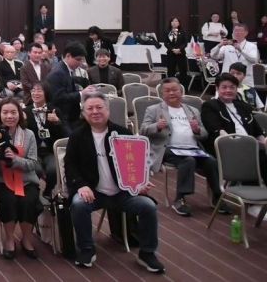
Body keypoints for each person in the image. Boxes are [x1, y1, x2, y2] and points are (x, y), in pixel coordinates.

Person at [65, 91, 164, 273]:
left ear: (108, 110)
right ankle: (86, 249)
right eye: (90, 108)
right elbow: (70, 166)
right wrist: (81, 185)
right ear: (84, 113)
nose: (95, 111)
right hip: (94, 192)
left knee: (148, 206)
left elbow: (136, 165)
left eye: (99, 107)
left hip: (122, 193)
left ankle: (147, 253)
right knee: (78, 205)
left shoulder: (123, 133)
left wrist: (139, 184)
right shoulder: (77, 136)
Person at [140, 78, 225, 216]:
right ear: (162, 93)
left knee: (211, 161)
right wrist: (157, 126)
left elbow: (204, 134)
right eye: (167, 91)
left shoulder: (193, 110)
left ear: (181, 91)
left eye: (174, 90)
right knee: (188, 161)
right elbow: (143, 130)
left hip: (193, 149)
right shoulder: (154, 110)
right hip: (168, 149)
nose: (171, 93)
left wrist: (197, 130)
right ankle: (180, 199)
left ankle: (217, 197)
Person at [0, 98, 41, 259]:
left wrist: (15, 159)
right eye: (5, 112)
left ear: (20, 114)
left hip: (27, 180)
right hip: (2, 181)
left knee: (28, 201)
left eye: (13, 112)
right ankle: (9, 239)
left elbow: (33, 163)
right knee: (8, 200)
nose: (9, 116)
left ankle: (26, 238)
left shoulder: (29, 134)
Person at [201, 73, 267, 181]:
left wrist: (264, 143)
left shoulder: (243, 106)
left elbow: (257, 131)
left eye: (232, 87)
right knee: (261, 159)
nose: (228, 90)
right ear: (217, 88)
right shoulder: (210, 106)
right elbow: (216, 129)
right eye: (224, 87)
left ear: (236, 89)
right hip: (227, 148)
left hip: (251, 147)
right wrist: (237, 144)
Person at [24, 83, 66, 198]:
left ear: (46, 93)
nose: (35, 93)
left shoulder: (54, 110)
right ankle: (35, 192)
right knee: (35, 169)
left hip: (50, 150)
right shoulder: (25, 111)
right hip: (33, 151)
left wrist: (57, 122)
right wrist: (23, 122)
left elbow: (66, 134)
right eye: (33, 90)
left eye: (39, 90)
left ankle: (48, 190)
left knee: (53, 170)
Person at [46, 42, 93, 130]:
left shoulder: (65, 69)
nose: (80, 63)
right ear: (68, 56)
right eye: (78, 59)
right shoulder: (58, 72)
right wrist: (81, 93)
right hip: (62, 117)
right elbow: (59, 98)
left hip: (70, 116)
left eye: (82, 60)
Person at [163, 18, 189, 85]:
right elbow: (166, 43)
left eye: (176, 21)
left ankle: (184, 88)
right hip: (171, 54)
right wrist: (173, 49)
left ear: (179, 23)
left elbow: (185, 43)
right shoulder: (167, 32)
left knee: (183, 71)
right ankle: (171, 86)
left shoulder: (183, 31)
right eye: (173, 21)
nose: (174, 22)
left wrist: (179, 49)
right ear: (170, 23)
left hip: (181, 53)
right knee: (171, 72)